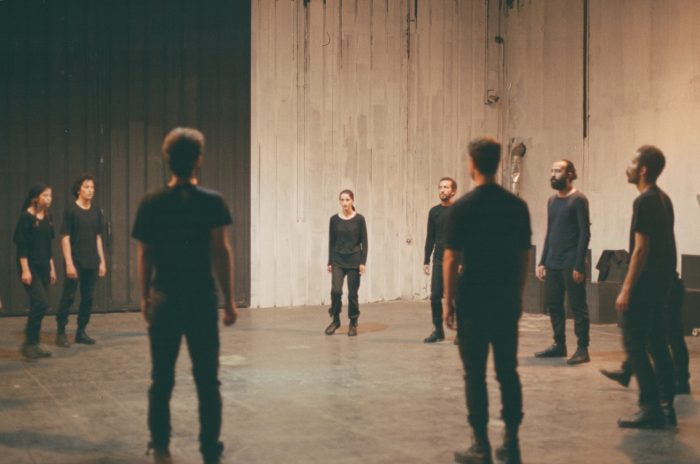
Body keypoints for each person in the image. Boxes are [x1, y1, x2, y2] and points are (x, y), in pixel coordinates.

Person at [132, 127, 237, 464]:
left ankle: (160, 444)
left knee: (161, 378)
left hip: (164, 299)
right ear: (198, 160)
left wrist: (145, 297)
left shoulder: (151, 203)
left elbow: (145, 254)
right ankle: (209, 448)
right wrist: (229, 300)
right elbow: (221, 252)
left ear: (167, 160)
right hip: (201, 301)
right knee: (207, 380)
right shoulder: (212, 201)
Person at [444, 137, 531, 464]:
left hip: (474, 301)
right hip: (505, 299)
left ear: (472, 164)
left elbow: (451, 259)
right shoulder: (517, 207)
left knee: (475, 374)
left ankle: (480, 444)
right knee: (508, 371)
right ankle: (512, 442)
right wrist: (517, 295)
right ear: (497, 163)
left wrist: (448, 302)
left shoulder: (462, 207)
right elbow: (523, 257)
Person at [615, 145, 677, 429]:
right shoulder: (664, 199)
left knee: (634, 345)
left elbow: (641, 249)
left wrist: (627, 287)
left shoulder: (644, 201)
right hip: (661, 283)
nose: (626, 167)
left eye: (631, 162)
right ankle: (666, 407)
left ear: (642, 170)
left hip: (644, 284)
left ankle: (650, 407)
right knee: (658, 343)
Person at [534, 160, 592, 365]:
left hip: (570, 263)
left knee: (577, 306)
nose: (553, 174)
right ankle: (559, 345)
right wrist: (542, 261)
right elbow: (550, 232)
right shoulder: (552, 201)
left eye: (558, 171)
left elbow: (584, 234)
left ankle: (582, 349)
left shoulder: (578, 200)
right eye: (551, 170)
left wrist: (579, 265)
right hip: (552, 262)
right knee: (554, 305)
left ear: (569, 174)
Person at [600, 272, 691, 395]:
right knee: (655, 336)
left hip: (666, 288)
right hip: (665, 287)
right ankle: (627, 371)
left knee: (671, 337)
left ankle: (681, 382)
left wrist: (627, 290)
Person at [55, 174, 107, 346]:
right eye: (86, 187)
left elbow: (98, 237)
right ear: (79, 189)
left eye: (92, 187)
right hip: (76, 260)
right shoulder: (71, 211)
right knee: (68, 296)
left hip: (92, 260)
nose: (90, 190)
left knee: (88, 298)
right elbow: (65, 237)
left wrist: (102, 261)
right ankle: (61, 332)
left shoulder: (96, 211)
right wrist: (69, 263)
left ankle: (81, 331)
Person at [13, 184, 57, 360]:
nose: (49, 199)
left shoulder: (48, 217)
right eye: (45, 195)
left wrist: (52, 267)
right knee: (41, 303)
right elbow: (21, 246)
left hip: (44, 266)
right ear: (36, 198)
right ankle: (28, 343)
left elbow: (48, 245)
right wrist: (25, 270)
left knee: (37, 305)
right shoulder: (26, 217)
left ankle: (34, 343)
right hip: (30, 267)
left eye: (50, 195)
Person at [325, 189, 368, 337]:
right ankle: (335, 320)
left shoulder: (360, 219)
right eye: (342, 200)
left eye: (347, 200)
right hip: (338, 260)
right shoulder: (334, 219)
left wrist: (363, 262)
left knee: (352, 294)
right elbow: (331, 242)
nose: (344, 203)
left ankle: (353, 322)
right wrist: (329, 261)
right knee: (336, 291)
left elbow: (364, 242)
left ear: (352, 201)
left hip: (354, 261)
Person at [423, 177, 457, 343]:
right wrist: (426, 260)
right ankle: (438, 330)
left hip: (456, 260)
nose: (442, 190)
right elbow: (430, 237)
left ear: (453, 191)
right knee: (435, 296)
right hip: (438, 259)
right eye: (440, 187)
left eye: (446, 187)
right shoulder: (434, 212)